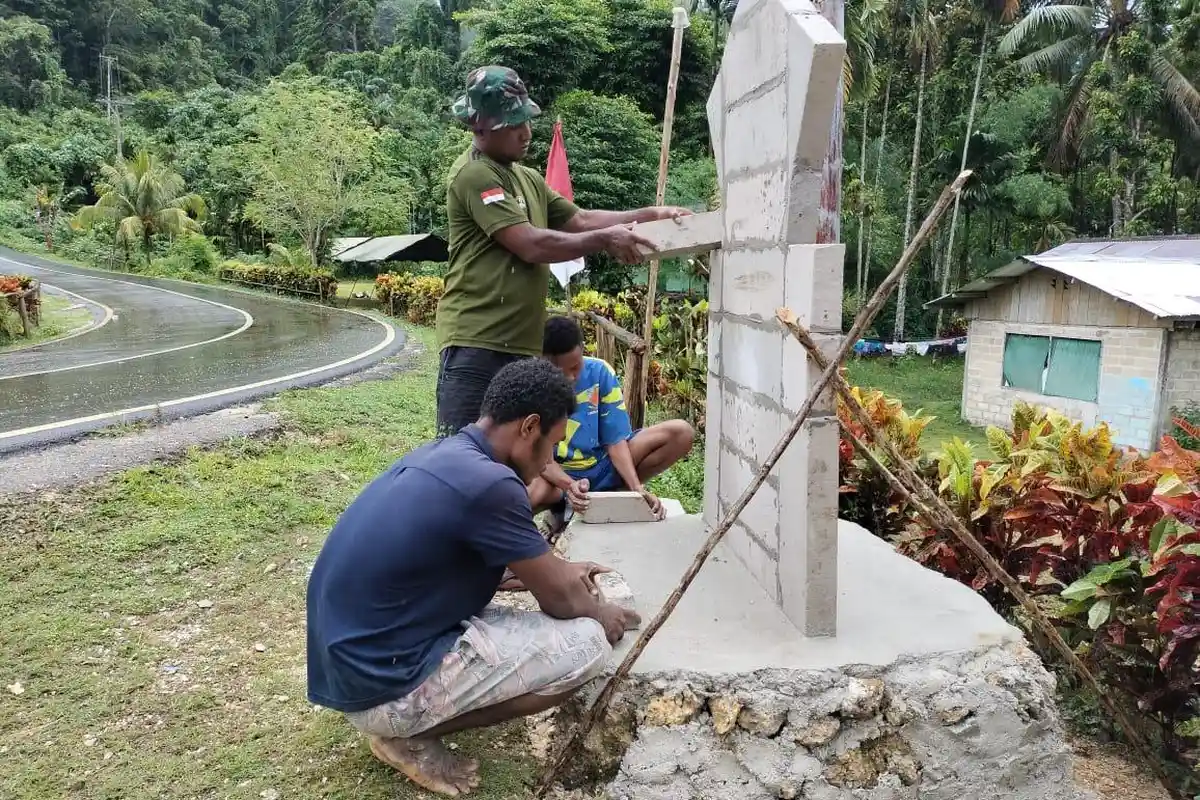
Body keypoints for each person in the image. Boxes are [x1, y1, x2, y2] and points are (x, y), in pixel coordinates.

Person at [306, 359, 641, 797]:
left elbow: (446, 560)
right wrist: (602, 611)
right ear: (529, 427)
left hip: (350, 665)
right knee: (587, 644)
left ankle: (404, 718)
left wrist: (553, 570)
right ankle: (406, 735)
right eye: (551, 446)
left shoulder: (448, 455)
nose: (550, 461)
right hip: (381, 688)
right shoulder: (493, 484)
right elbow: (564, 603)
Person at [435, 64, 694, 439]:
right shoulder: (474, 175)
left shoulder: (527, 178)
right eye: (513, 125)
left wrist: (650, 214)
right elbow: (530, 244)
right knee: (460, 459)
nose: (526, 133)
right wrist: (606, 240)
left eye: (526, 120)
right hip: (476, 343)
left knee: (512, 459)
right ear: (479, 128)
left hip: (520, 345)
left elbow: (583, 220)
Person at [529, 315, 696, 535]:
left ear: (582, 350)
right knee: (525, 498)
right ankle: (560, 510)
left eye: (576, 367)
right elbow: (540, 459)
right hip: (557, 474)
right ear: (544, 362)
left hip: (603, 465)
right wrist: (569, 485)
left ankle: (616, 494)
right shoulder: (533, 384)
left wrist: (637, 489)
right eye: (561, 371)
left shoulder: (600, 372)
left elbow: (615, 440)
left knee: (681, 433)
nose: (570, 378)